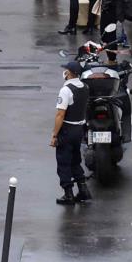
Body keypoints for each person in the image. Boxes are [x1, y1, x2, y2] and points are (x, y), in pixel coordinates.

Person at [52, 60, 90, 204]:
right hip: (79, 129)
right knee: (75, 160)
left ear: (69, 73)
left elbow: (60, 115)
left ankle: (68, 194)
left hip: (67, 130)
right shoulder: (85, 87)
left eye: (66, 70)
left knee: (63, 162)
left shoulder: (66, 90)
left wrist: (55, 135)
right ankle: (83, 189)